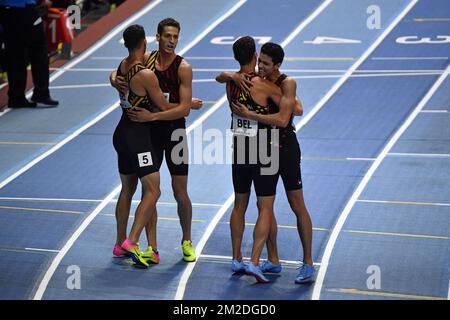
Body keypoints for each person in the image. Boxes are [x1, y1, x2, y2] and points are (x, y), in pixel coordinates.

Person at [110, 18, 199, 263]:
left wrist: (157, 114)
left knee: (180, 192)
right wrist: (111, 77)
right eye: (167, 36)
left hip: (175, 134)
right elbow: (123, 69)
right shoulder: (146, 60)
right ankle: (152, 247)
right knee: (150, 191)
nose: (172, 41)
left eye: (175, 37)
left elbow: (183, 112)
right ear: (156, 37)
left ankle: (187, 240)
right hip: (149, 134)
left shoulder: (183, 68)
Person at [230, 42, 315, 284]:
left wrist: (251, 115)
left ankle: (308, 263)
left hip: (285, 148)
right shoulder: (257, 77)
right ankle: (274, 260)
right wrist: (231, 75)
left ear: (277, 65)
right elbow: (224, 76)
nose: (261, 67)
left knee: (296, 203)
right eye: (260, 62)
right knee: (263, 204)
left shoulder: (286, 83)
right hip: (263, 148)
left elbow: (287, 115)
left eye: (266, 64)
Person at [216, 36, 288, 283]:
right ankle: (256, 261)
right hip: (264, 150)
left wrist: (230, 74)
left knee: (239, 205)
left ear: (236, 58)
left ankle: (237, 258)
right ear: (255, 56)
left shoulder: (230, 84)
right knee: (265, 207)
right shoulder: (264, 86)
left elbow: (222, 76)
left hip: (240, 149)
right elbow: (293, 109)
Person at [0, 0, 59, 108]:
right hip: (24, 8)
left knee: (15, 54)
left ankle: (16, 97)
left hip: (6, 11)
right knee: (39, 51)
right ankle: (41, 93)